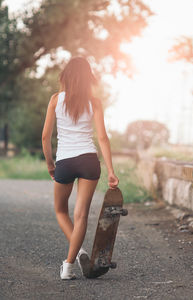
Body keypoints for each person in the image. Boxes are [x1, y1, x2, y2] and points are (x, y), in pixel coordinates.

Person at [41, 56, 119, 280]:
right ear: (88, 79)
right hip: (88, 160)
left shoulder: (56, 99)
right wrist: (111, 171)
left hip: (65, 162)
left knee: (60, 211)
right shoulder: (95, 102)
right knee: (81, 214)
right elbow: (103, 138)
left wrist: (50, 164)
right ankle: (69, 264)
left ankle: (78, 253)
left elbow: (46, 137)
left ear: (65, 77)